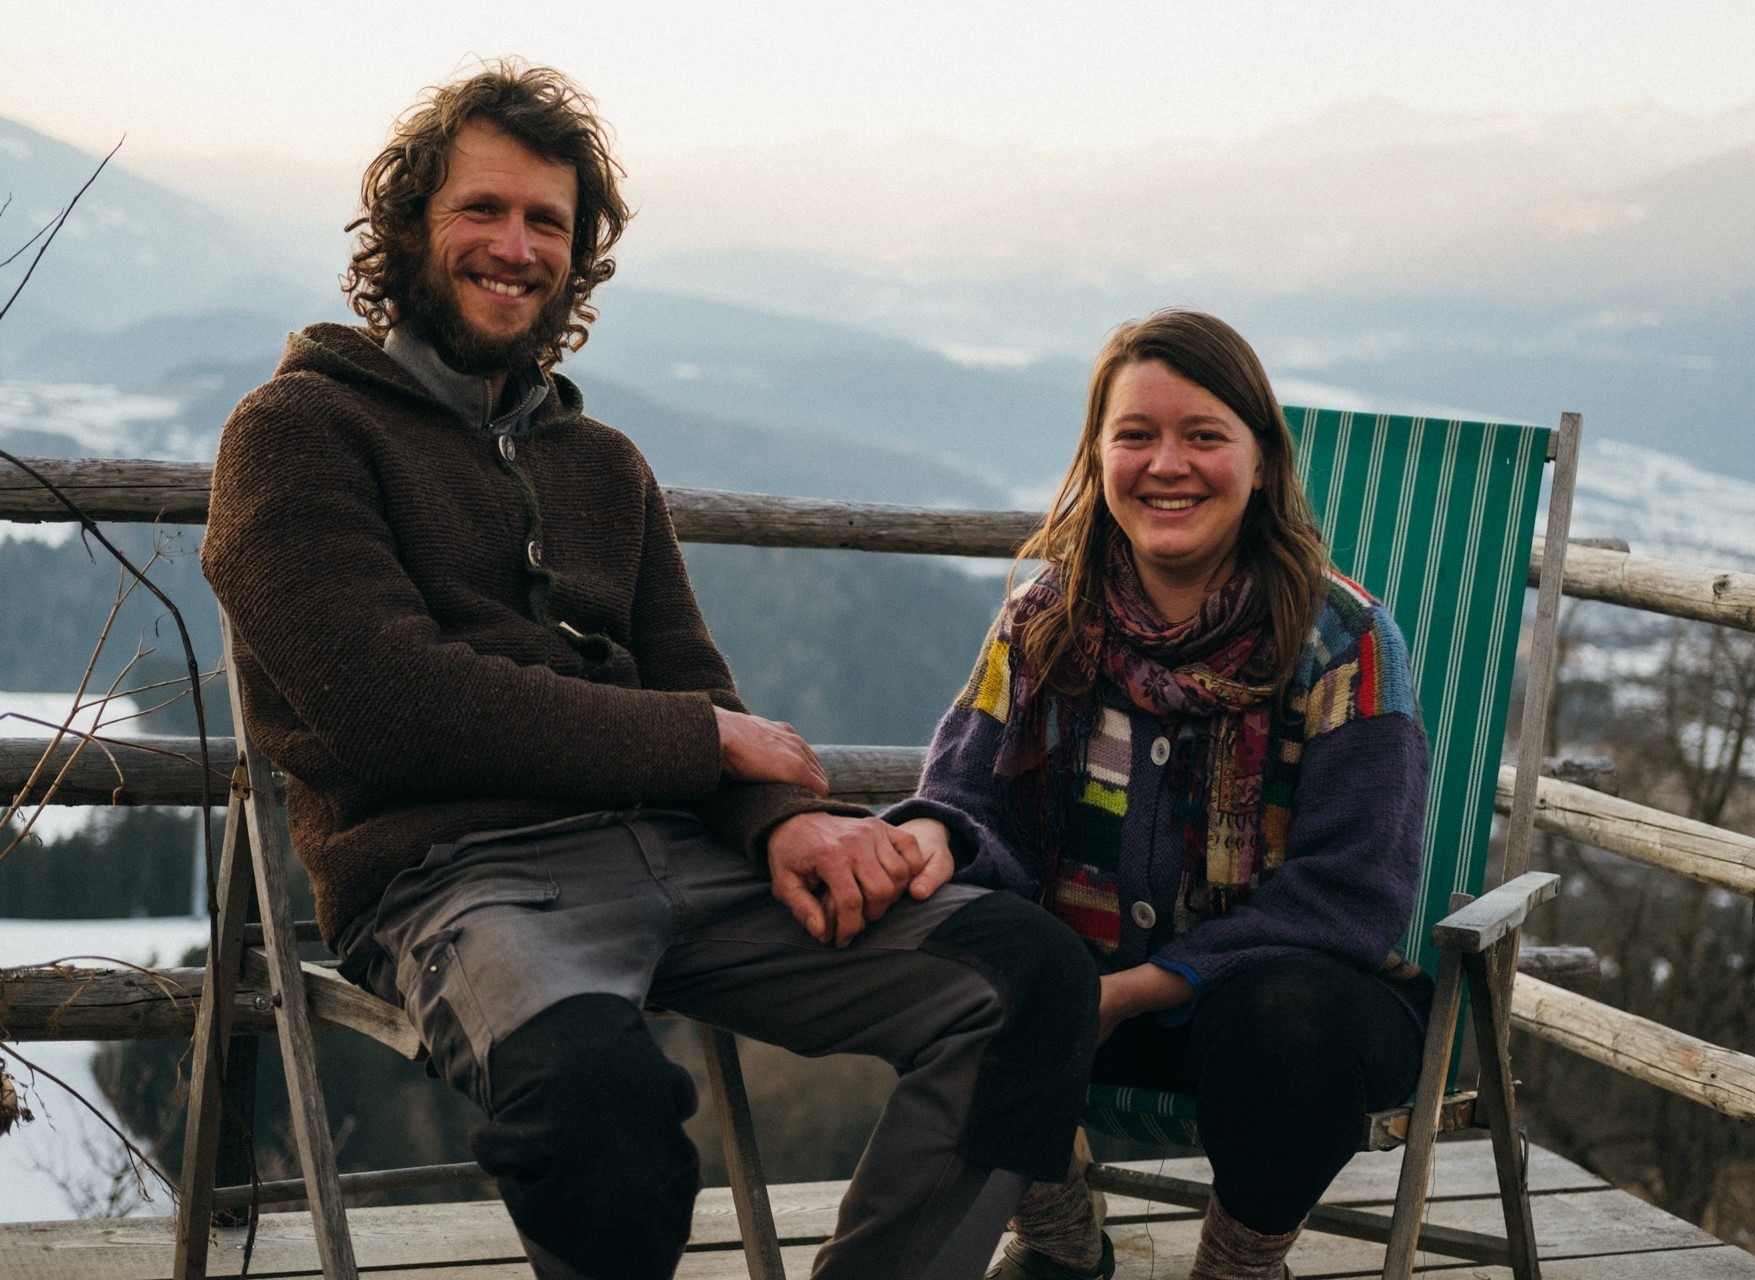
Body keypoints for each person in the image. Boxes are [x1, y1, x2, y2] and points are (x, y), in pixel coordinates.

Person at [200, 60, 1098, 1280]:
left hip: (684, 857)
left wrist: (780, 822)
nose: (516, 246)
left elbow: (697, 686)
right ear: (409, 224)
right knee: (604, 1114)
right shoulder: (297, 431)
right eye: (484, 209)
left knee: (1025, 974)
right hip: (463, 882)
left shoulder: (603, 463)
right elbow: (387, 705)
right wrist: (706, 747)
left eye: (548, 224)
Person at [886, 310, 1434, 1280]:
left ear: (1260, 460)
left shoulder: (1344, 642)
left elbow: (1354, 888)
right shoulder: (1045, 622)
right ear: (1098, 459)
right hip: (1067, 996)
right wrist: (930, 836)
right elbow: (969, 795)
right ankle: (1057, 1238)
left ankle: (1237, 1265)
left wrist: (1144, 986)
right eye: (1135, 435)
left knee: (1290, 1019)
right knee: (934, 950)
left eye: (1204, 435)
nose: (1166, 462)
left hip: (1275, 1018)